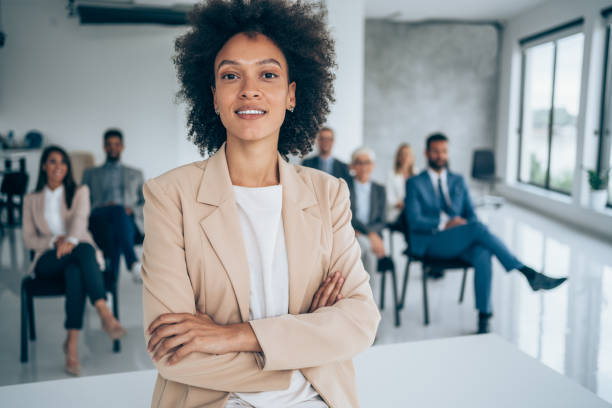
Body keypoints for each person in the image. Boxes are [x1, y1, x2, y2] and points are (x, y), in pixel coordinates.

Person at [142, 1, 380, 407]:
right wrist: (306, 342)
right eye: (231, 75)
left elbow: (360, 322)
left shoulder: (329, 194)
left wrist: (231, 335)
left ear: (290, 95)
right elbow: (172, 352)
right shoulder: (170, 196)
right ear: (214, 96)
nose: (249, 89)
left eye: (267, 74)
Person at [405, 133, 567, 334]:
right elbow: (414, 220)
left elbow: (471, 215)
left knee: (483, 253)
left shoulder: (458, 180)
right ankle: (527, 272)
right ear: (426, 153)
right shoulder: (414, 182)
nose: (440, 156)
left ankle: (484, 317)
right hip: (431, 241)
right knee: (478, 229)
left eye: (444, 151)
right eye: (436, 151)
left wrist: (462, 225)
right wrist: (445, 223)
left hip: (459, 239)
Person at [22, 146, 126, 376]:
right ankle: (103, 310)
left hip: (77, 253)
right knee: (83, 252)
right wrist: (53, 242)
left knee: (75, 268)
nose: (58, 166)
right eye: (52, 161)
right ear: (44, 166)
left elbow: (80, 222)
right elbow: (28, 239)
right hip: (47, 259)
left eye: (63, 162)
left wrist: (69, 240)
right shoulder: (31, 199)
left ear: (67, 168)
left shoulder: (80, 191)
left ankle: (71, 345)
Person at [82, 129, 144, 283]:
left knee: (114, 230)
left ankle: (109, 291)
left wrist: (133, 209)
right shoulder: (91, 174)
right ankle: (133, 263)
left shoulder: (135, 173)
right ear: (104, 147)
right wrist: (103, 206)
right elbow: (81, 201)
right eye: (109, 145)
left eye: (116, 144)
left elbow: (146, 202)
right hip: (99, 216)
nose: (113, 148)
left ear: (122, 146)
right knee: (117, 210)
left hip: (126, 219)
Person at [348, 147, 386, 276]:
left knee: (367, 247)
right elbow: (349, 215)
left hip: (370, 236)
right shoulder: (344, 187)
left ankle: (367, 295)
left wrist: (370, 234)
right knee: (367, 247)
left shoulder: (380, 189)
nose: (363, 166)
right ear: (352, 166)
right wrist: (371, 234)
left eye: (367, 162)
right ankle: (369, 295)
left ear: (373, 165)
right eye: (359, 162)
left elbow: (382, 220)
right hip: (350, 233)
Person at [386, 143, 416, 223]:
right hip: (398, 213)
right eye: (402, 154)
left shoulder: (417, 174)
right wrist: (405, 205)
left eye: (408, 154)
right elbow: (390, 199)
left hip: (414, 212)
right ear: (398, 157)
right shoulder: (392, 175)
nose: (405, 157)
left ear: (412, 157)